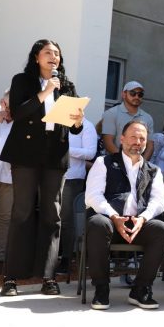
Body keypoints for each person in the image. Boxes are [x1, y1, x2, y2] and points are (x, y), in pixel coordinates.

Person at [0, 39, 85, 296]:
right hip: (25, 154)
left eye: (57, 53)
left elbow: (75, 128)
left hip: (54, 155)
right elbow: (19, 112)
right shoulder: (22, 81)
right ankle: (11, 277)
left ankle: (48, 277)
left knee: (52, 215)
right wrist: (46, 92)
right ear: (36, 57)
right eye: (48, 52)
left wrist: (78, 120)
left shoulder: (66, 85)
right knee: (22, 212)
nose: (53, 56)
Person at [84, 120, 164, 310]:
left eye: (142, 139)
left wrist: (143, 219)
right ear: (122, 139)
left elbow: (159, 202)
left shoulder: (153, 170)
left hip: (138, 224)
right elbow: (92, 196)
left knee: (162, 230)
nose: (137, 142)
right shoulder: (104, 162)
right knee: (97, 223)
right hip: (110, 222)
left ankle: (141, 289)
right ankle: (101, 288)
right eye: (133, 137)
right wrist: (114, 217)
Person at [57, 116, 98, 275]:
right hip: (50, 175)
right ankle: (49, 258)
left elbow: (90, 153)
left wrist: (65, 148)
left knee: (66, 220)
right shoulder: (56, 120)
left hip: (72, 178)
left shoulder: (87, 126)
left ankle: (66, 259)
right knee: (51, 217)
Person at [101, 81, 154, 161]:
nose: (137, 97)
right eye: (133, 93)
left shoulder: (148, 118)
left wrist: (142, 164)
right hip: (114, 162)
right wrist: (124, 161)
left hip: (138, 163)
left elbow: (150, 145)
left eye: (140, 94)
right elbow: (108, 142)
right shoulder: (111, 113)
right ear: (124, 94)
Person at [0, 90, 13, 271]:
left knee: (4, 218)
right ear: (2, 102)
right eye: (7, 106)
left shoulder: (20, 123)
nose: (9, 112)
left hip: (9, 178)